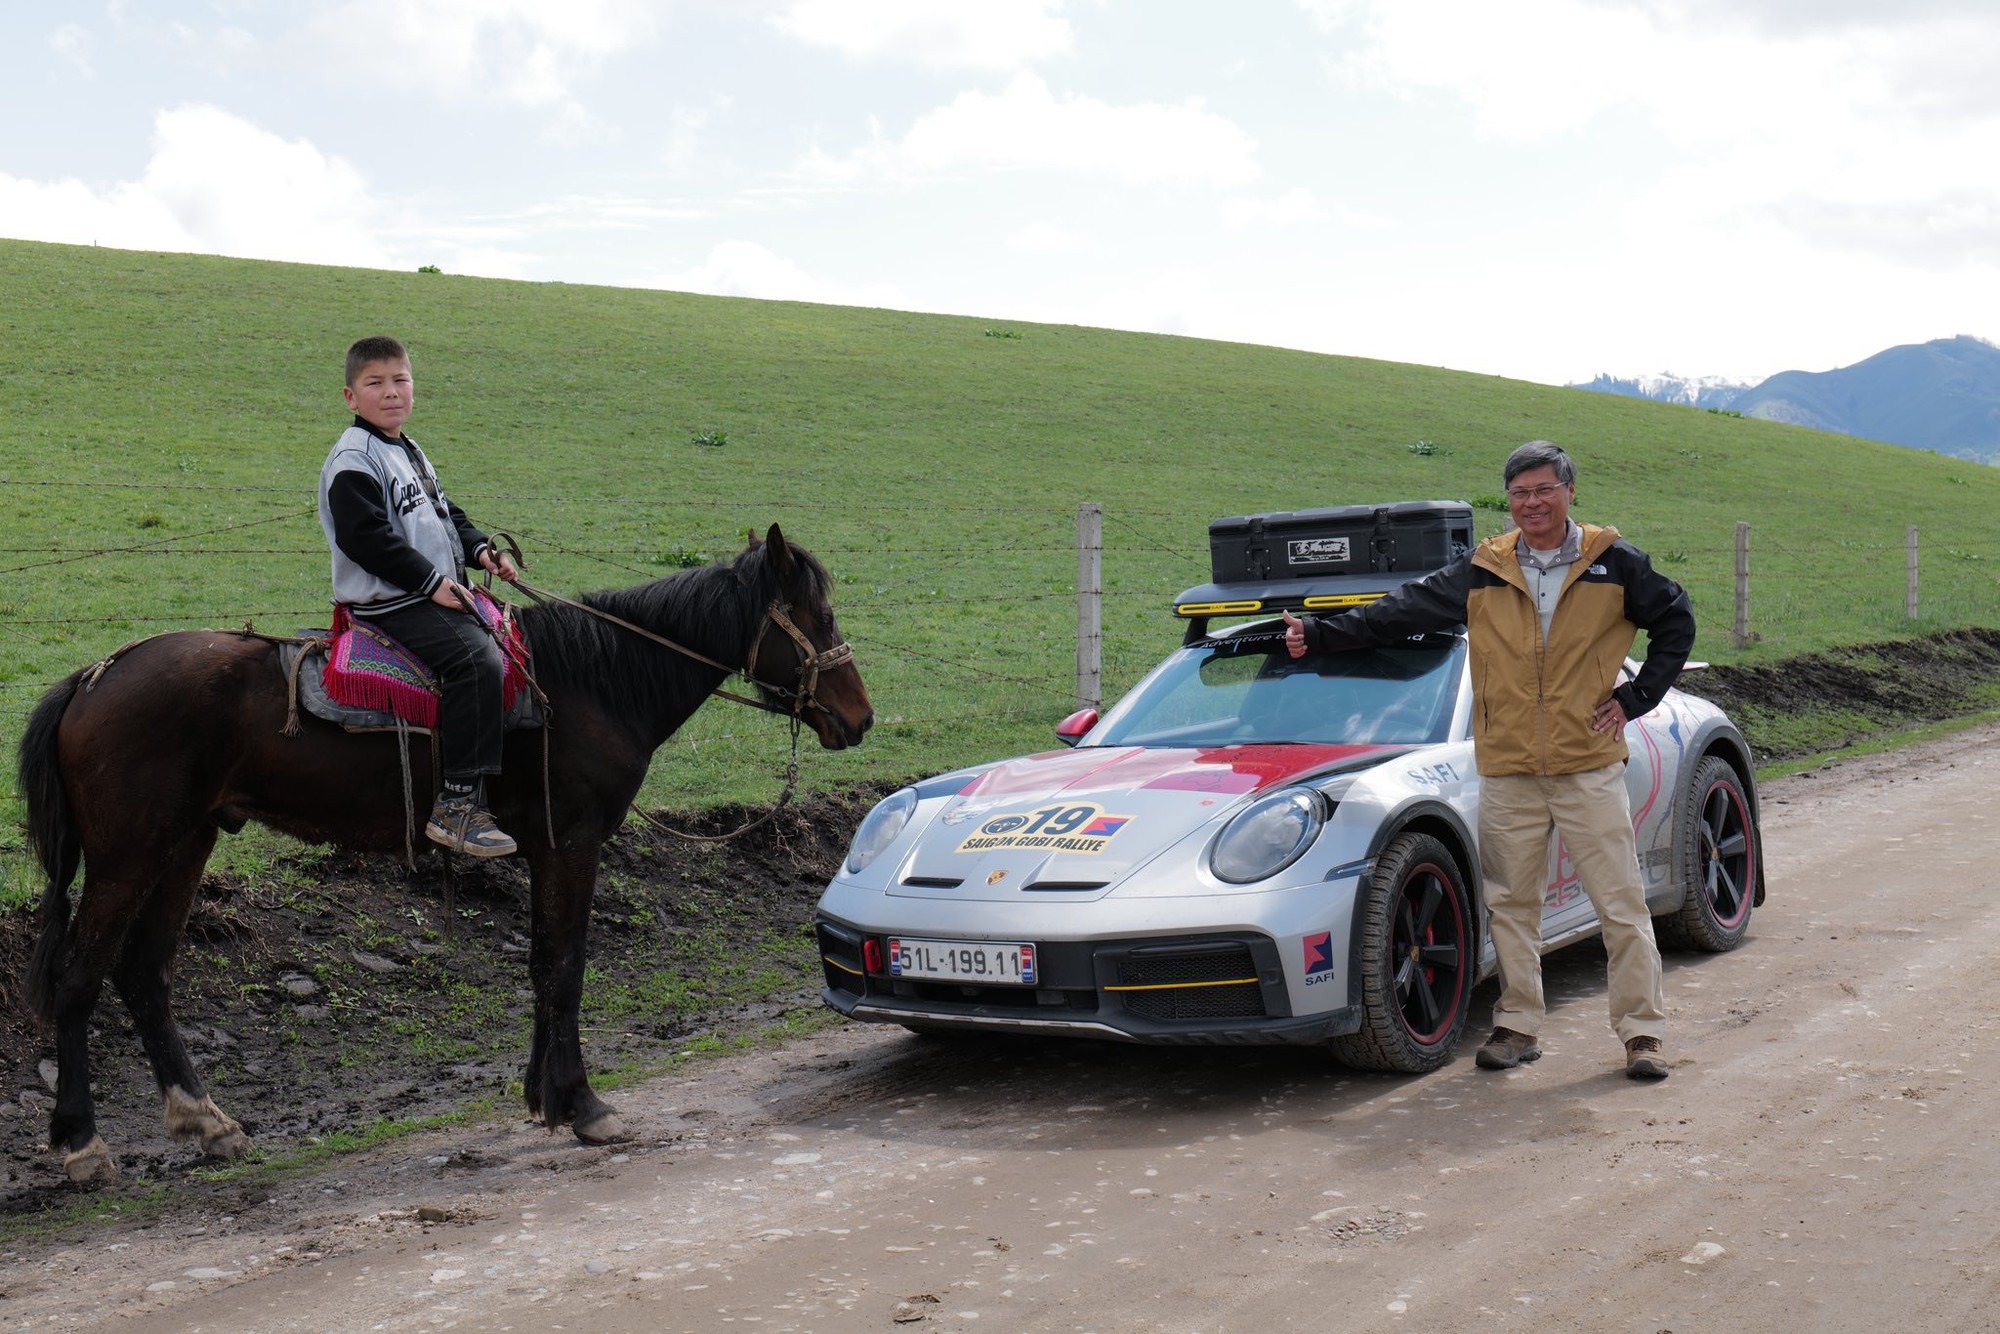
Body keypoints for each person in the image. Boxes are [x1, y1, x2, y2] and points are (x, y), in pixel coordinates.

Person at [1283, 441, 1695, 1080]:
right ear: (1508, 501)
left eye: (1543, 490)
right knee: (1510, 904)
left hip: (1587, 763)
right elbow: (1401, 612)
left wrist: (1637, 696)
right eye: (1520, 493)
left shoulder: (1614, 563)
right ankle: (1517, 1025)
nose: (1532, 503)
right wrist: (1321, 633)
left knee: (1621, 902)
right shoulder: (1484, 568)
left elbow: (1676, 621)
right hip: (1507, 768)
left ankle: (1643, 1034)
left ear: (1569, 491)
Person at [317, 335, 521, 857]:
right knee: (477, 661)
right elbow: (366, 539)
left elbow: (443, 512)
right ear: (350, 396)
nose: (391, 392)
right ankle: (457, 807)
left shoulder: (406, 448)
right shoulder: (354, 457)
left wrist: (481, 550)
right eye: (375, 383)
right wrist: (434, 584)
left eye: (400, 380)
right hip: (393, 603)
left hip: (428, 593)